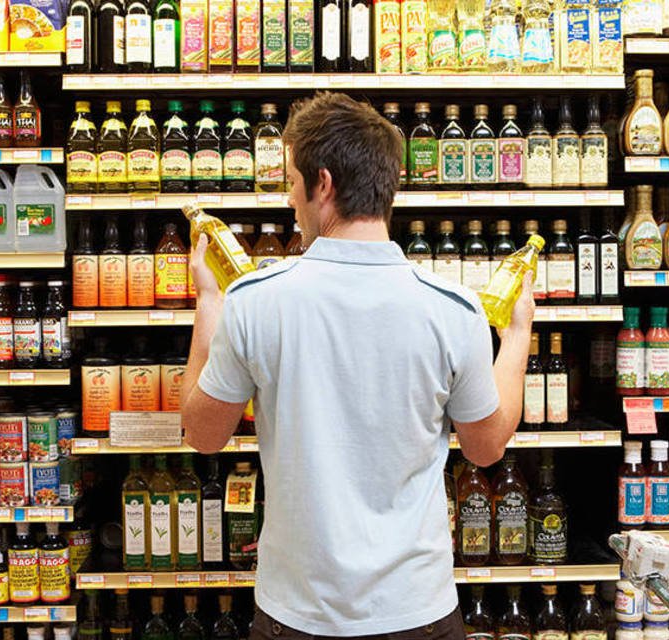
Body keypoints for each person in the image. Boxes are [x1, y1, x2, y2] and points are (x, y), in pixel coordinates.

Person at [180, 92, 534, 640]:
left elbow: (203, 434)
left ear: (323, 184)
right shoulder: (451, 310)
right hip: (417, 610)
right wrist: (516, 336)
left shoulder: (255, 300)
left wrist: (209, 304)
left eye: (292, 184)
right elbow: (485, 448)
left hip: (297, 614)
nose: (291, 202)